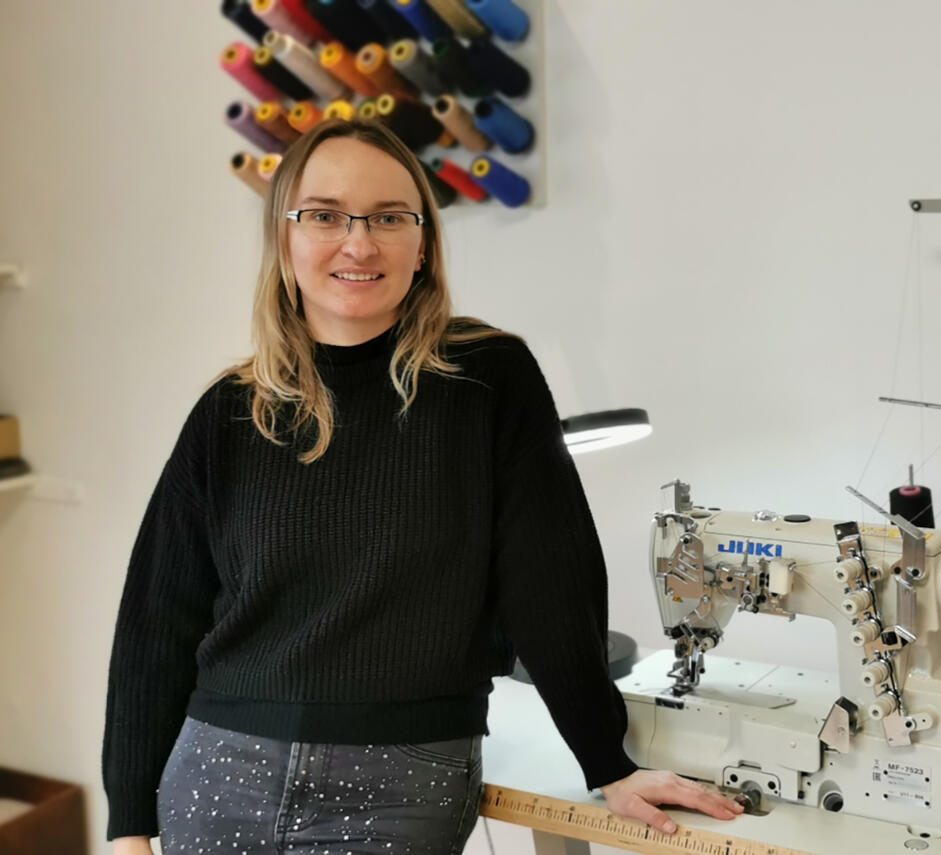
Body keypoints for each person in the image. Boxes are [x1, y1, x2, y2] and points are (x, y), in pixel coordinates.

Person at [102, 118, 742, 854]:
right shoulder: (229, 411)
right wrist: (129, 822)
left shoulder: (487, 379)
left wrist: (609, 762)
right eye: (325, 216)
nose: (358, 243)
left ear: (424, 244)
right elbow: (156, 620)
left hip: (401, 780)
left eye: (388, 217)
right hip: (221, 768)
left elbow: (549, 583)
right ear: (285, 238)